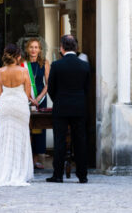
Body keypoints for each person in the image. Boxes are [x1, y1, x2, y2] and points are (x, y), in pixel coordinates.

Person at [0, 43, 33, 187]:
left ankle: (5, 171)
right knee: (21, 137)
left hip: (5, 106)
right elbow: (27, 93)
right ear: (18, 56)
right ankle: (20, 171)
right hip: (20, 106)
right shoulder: (23, 71)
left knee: (5, 138)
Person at [46, 34, 90, 184]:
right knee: (80, 141)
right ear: (76, 48)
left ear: (61, 48)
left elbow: (51, 88)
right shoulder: (84, 66)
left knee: (59, 141)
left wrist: (58, 100)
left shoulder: (56, 65)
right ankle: (82, 175)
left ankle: (57, 175)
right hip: (79, 107)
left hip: (61, 107)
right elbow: (87, 88)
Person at [24, 38, 50, 169]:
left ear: (40, 50)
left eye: (36, 47)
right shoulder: (22, 64)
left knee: (38, 129)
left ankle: (35, 159)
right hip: (26, 99)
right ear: (27, 49)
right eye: (31, 47)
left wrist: (38, 97)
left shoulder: (44, 63)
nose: (33, 50)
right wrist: (29, 97)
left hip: (40, 99)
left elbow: (48, 84)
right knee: (27, 129)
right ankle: (26, 159)